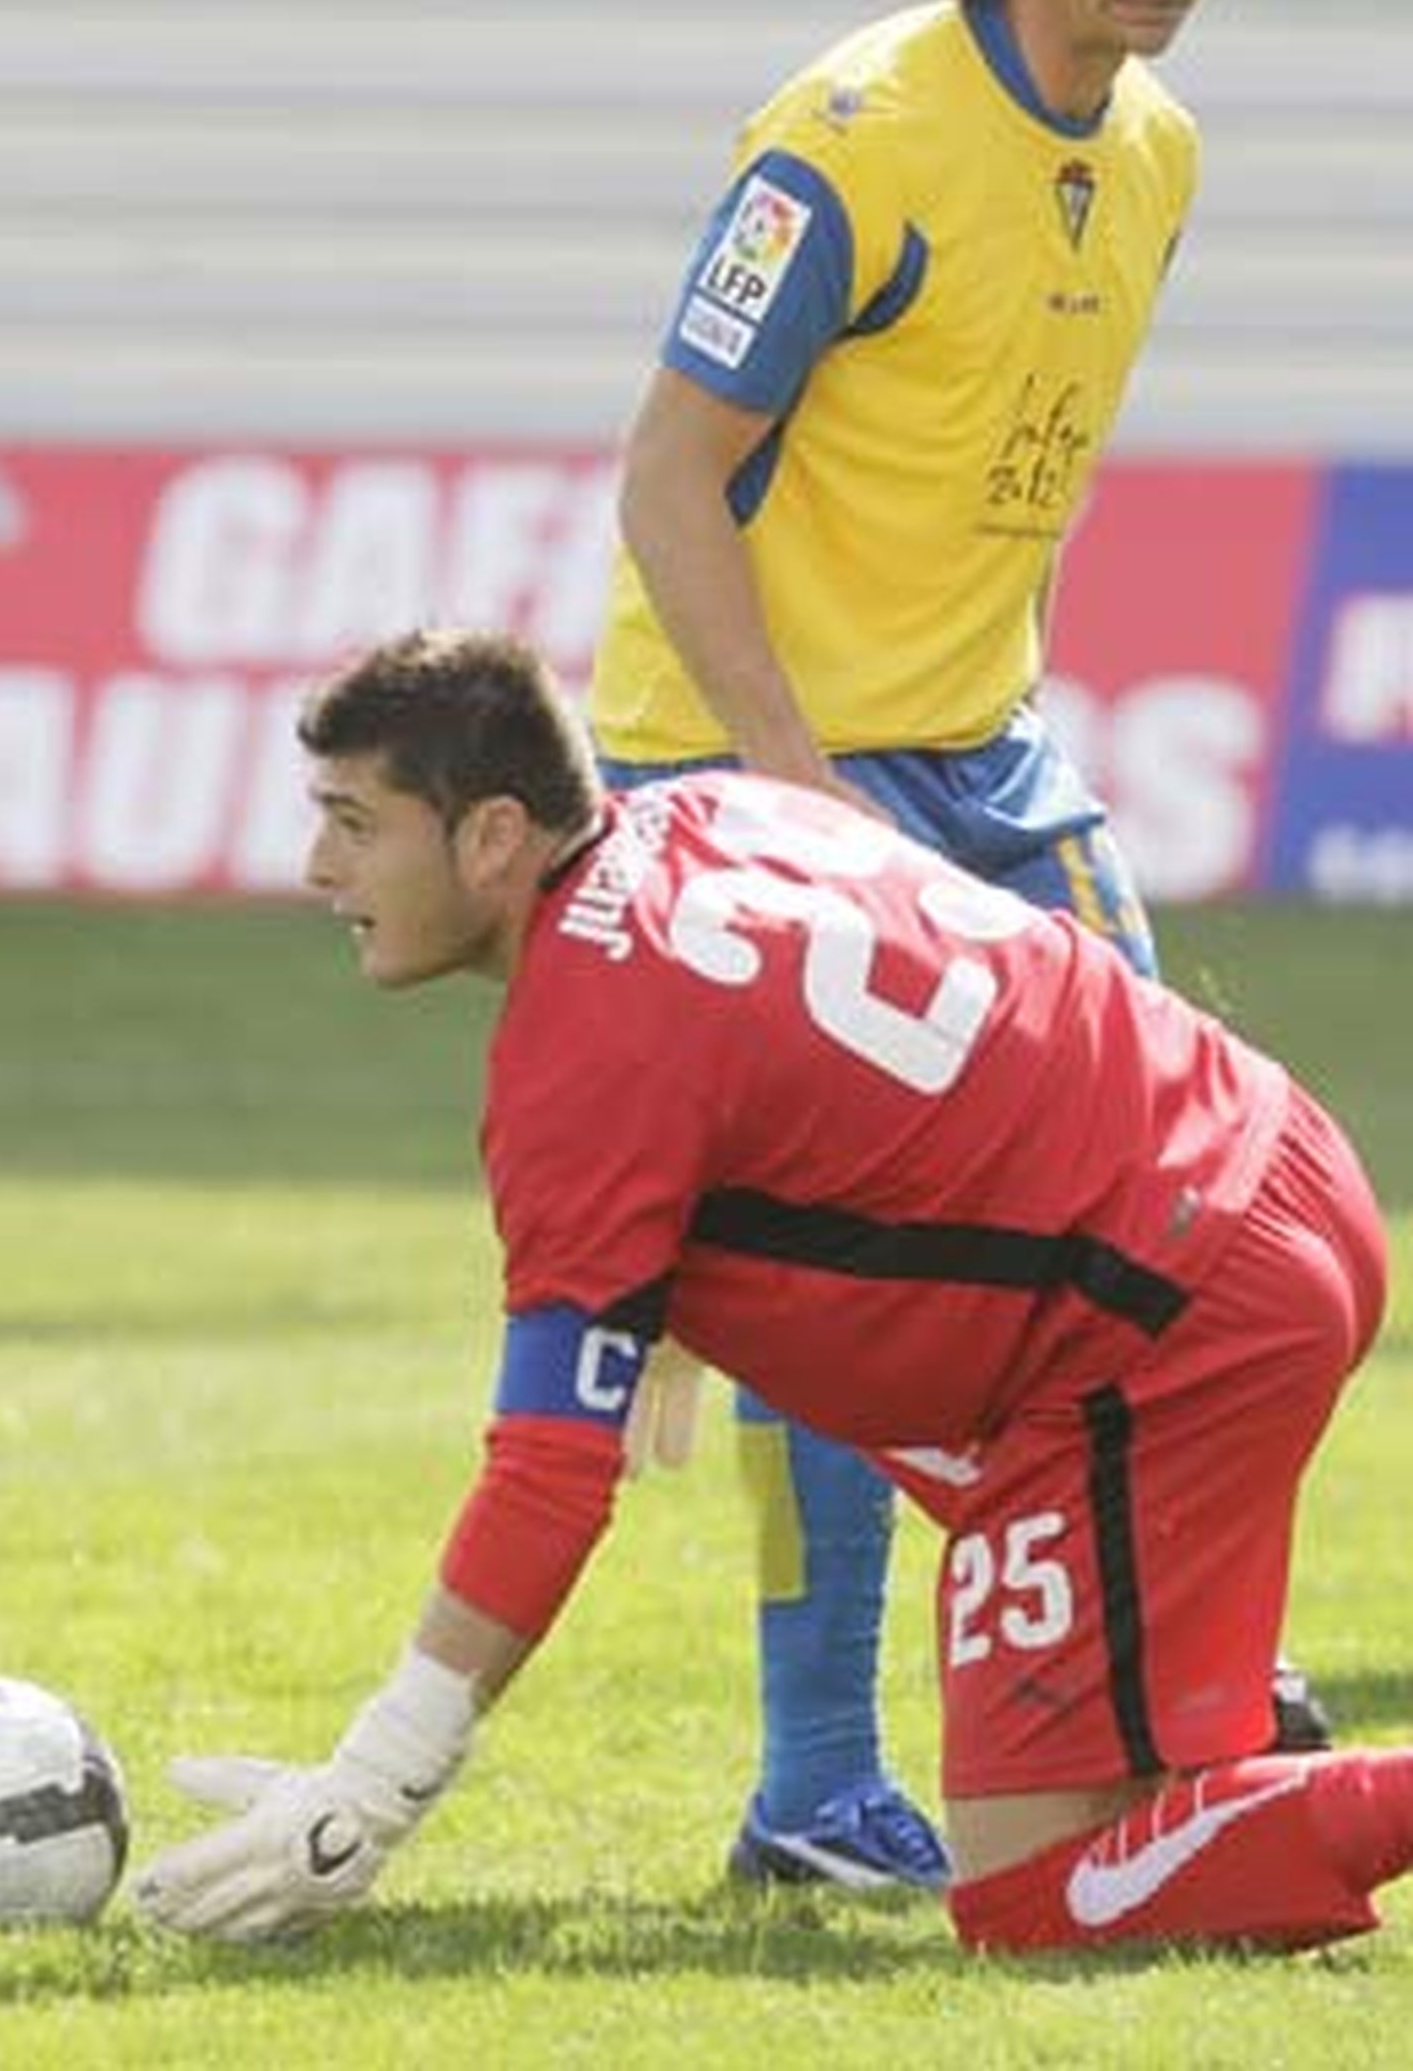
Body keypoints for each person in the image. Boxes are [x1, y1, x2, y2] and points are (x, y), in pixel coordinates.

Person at [135, 630, 1409, 1956]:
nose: (317, 867)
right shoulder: (708, 807)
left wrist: (374, 1779)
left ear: (493, 835)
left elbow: (547, 1476)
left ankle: (1219, 1711)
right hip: (1274, 1157)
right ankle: (1221, 1705)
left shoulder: (580, 1057)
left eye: (354, 822)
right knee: (1121, 1786)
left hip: (1167, 1313)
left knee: (1037, 1902)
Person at [587, 0, 1323, 1893]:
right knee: (867, 1288)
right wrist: (797, 800)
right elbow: (664, 480)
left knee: (1211, 1216)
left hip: (982, 747)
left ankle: (1176, 1697)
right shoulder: (843, 136)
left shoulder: (1160, 149)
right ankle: (814, 1782)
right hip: (747, 759)